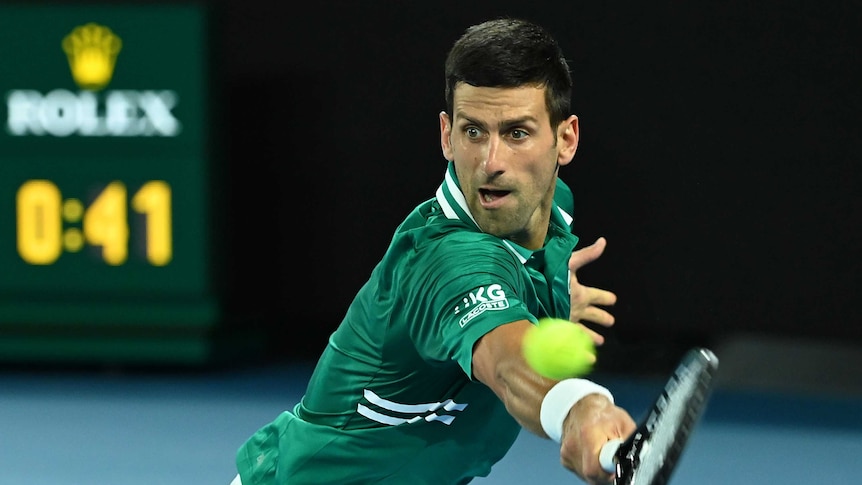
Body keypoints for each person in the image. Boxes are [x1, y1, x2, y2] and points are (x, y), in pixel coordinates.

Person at [232, 17, 636, 485]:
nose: (492, 163)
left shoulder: (545, 208)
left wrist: (548, 288)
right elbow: (507, 364)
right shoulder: (448, 261)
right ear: (447, 135)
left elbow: (514, 282)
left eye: (518, 133)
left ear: (565, 140)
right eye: (473, 132)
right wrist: (578, 407)